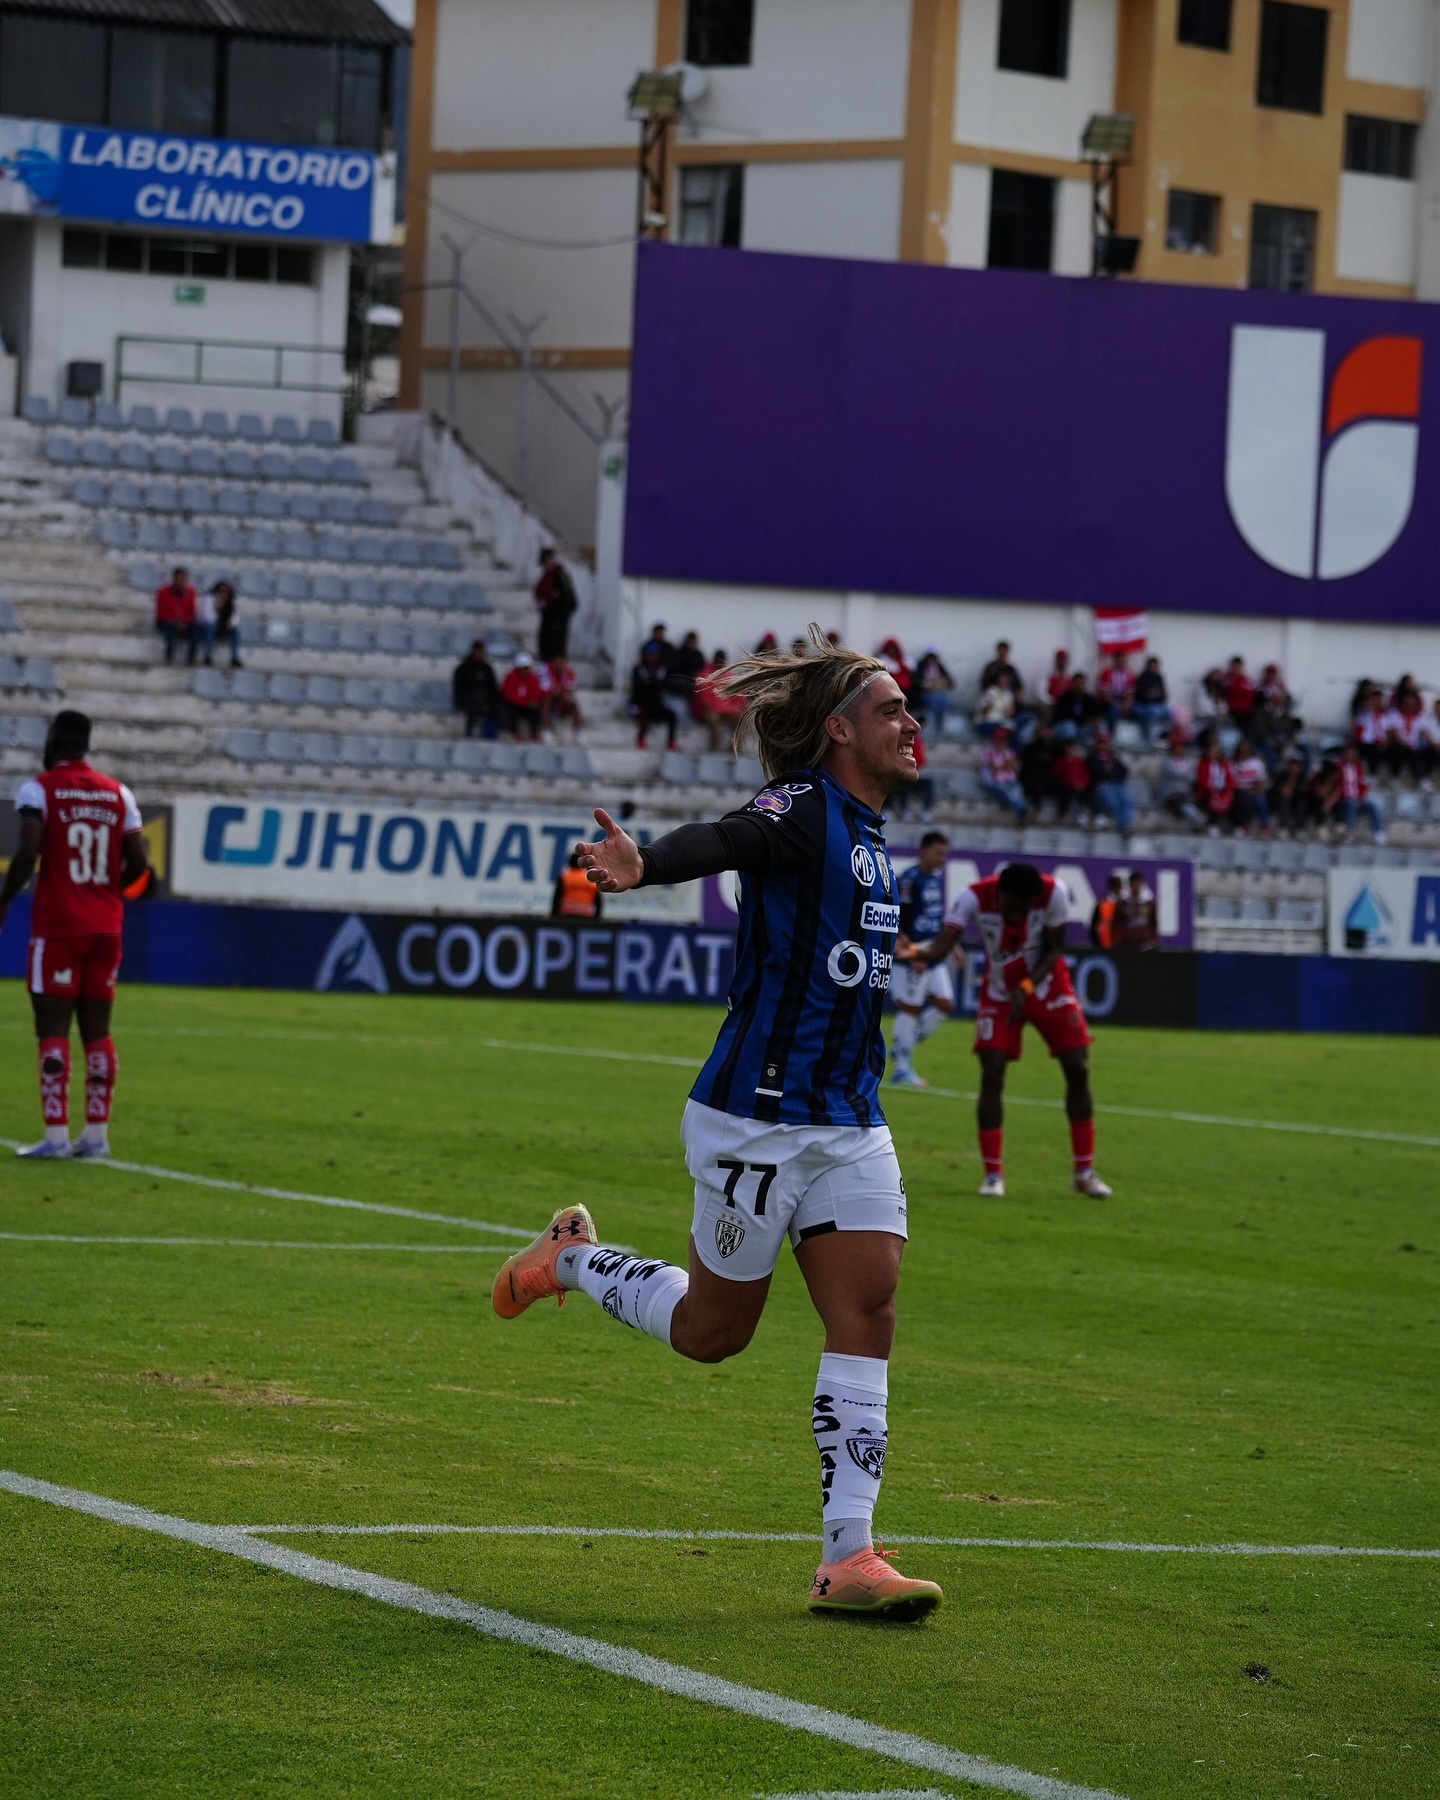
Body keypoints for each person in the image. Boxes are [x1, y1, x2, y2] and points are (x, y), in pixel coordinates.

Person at [491, 626, 942, 1620]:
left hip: (850, 1121)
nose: (911, 722)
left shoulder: (871, 838)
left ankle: (848, 1557)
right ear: (839, 730)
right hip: (757, 1121)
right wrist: (646, 863)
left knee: (868, 1312)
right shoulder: (804, 806)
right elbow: (730, 839)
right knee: (711, 1333)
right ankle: (572, 1259)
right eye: (891, 709)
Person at [899, 862, 1110, 1200]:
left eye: (1024, 911)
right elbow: (940, 947)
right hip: (999, 991)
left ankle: (1084, 1172)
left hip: (1047, 986)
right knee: (992, 1070)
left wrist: (1027, 986)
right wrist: (912, 951)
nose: (1017, 917)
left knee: (1078, 1066)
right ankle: (993, 1175)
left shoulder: (1054, 893)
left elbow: (1055, 948)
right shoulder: (973, 898)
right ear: (1000, 894)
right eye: (1011, 910)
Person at [0, 710, 149, 1159]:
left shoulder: (39, 790)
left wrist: (4, 899)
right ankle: (97, 1137)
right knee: (98, 1030)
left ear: (54, 740)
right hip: (107, 928)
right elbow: (140, 864)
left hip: (59, 926)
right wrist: (106, 892)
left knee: (52, 1027)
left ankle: (56, 1137)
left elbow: (29, 849)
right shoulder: (119, 793)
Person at [888, 830, 953, 1089]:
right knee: (910, 1008)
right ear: (924, 851)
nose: (942, 859)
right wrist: (911, 951)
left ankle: (903, 1046)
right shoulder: (909, 879)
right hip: (911, 955)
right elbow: (896, 917)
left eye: (945, 854)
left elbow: (936, 916)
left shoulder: (935, 879)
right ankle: (901, 1069)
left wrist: (954, 947)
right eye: (938, 853)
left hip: (933, 953)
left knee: (945, 1005)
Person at [1325, 744, 1386, 843]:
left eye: (1353, 754)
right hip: (1343, 800)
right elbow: (1337, 785)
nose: (1351, 756)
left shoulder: (1359, 768)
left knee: (1372, 806)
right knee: (1351, 805)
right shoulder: (1339, 767)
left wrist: (1360, 798)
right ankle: (1348, 833)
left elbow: (1363, 785)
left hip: (1358, 799)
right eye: (1349, 753)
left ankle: (1378, 833)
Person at [693, 649, 746, 752]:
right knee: (712, 717)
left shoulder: (730, 676)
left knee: (743, 719)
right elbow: (704, 697)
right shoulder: (706, 675)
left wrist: (740, 706)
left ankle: (734, 747)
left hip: (728, 711)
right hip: (713, 711)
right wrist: (710, 708)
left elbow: (739, 696)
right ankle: (715, 746)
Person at [630, 645, 679, 749]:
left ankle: (671, 742)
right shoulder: (639, 669)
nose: (652, 658)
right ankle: (640, 739)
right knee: (645, 713)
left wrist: (652, 683)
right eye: (650, 655)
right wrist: (653, 684)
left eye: (654, 656)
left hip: (657, 705)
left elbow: (664, 685)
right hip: (641, 704)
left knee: (672, 715)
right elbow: (638, 688)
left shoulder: (661, 670)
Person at [535, 548, 578, 662]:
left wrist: (559, 619)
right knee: (545, 648)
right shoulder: (546, 577)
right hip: (548, 618)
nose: (545, 566)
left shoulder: (560, 576)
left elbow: (569, 601)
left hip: (558, 621)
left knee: (556, 650)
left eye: (546, 562)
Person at [1086, 731, 1134, 834]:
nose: (1103, 745)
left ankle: (1127, 824)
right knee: (1113, 802)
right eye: (1100, 742)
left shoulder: (1112, 758)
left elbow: (1123, 771)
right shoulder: (1092, 758)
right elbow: (1097, 773)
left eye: (1105, 742)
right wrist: (1109, 773)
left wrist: (1109, 773)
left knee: (1126, 800)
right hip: (1100, 786)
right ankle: (1121, 825)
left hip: (1115, 784)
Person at [1158, 729, 1205, 829]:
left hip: (1186, 792)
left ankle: (1198, 818)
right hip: (1170, 792)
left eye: (1182, 747)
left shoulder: (1188, 761)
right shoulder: (1167, 761)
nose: (1180, 749)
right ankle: (1196, 817)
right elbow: (1174, 775)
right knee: (1179, 800)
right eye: (1178, 747)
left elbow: (1192, 778)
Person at [452, 640, 499, 739]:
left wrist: (487, 701)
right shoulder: (462, 669)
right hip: (467, 699)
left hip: (485, 700)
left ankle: (493, 735)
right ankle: (469, 732)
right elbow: (459, 689)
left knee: (498, 706)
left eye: (481, 651)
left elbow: (493, 688)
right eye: (478, 651)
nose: (480, 654)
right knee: (474, 704)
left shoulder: (487, 669)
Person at [981, 725, 1027, 819]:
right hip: (994, 783)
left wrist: (1007, 764)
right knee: (1007, 792)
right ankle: (1021, 811)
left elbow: (1016, 767)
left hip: (1010, 781)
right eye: (999, 740)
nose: (1001, 742)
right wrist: (1007, 764)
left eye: (1003, 740)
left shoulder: (1009, 752)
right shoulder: (988, 752)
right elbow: (994, 769)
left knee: (1018, 791)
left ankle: (1022, 811)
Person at [153, 566, 196, 665]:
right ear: (174, 579)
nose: (181, 582)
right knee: (170, 627)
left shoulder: (190, 592)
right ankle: (169, 655)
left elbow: (192, 612)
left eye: (183, 579)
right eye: (179, 579)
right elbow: (161, 612)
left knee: (195, 627)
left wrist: (185, 622)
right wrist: (175, 621)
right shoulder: (163, 591)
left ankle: (191, 657)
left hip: (184, 622)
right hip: (167, 621)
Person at [1194, 732, 1236, 832]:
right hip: (1208, 791)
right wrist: (1213, 790)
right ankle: (1212, 824)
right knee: (1211, 798)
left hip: (1223, 790)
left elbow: (1230, 779)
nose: (1214, 753)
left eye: (1216, 751)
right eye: (1212, 751)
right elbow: (1203, 781)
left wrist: (1228, 792)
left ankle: (1236, 826)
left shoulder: (1225, 764)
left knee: (1238, 798)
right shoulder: (1203, 764)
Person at [912, 647, 955, 738]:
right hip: (925, 693)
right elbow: (916, 681)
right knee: (933, 701)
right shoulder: (921, 666)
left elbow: (950, 682)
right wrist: (926, 684)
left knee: (944, 700)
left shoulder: (939, 666)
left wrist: (942, 682)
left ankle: (941, 726)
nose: (932, 659)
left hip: (939, 693)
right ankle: (931, 726)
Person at [501, 652, 544, 741]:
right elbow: (508, 694)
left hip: (526, 705)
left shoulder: (532, 678)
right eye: (523, 668)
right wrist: (524, 702)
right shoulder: (511, 676)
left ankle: (535, 734)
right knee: (509, 708)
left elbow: (536, 693)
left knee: (535, 710)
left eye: (527, 668)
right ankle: (513, 733)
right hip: (515, 704)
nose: (525, 670)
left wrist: (532, 701)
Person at [1231, 738, 1271, 834]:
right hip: (1241, 791)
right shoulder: (1233, 764)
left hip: (1255, 790)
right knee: (1245, 798)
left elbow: (1263, 781)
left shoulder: (1257, 763)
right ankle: (1244, 825)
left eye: (1246, 750)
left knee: (1261, 798)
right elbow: (1233, 782)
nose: (1244, 753)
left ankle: (1264, 825)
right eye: (1241, 751)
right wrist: (1246, 787)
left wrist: (1256, 787)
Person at [551, 850, 601, 919]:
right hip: (586, 916)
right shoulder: (590, 879)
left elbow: (557, 898)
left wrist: (553, 916)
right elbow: (598, 902)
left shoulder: (564, 877)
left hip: (567, 916)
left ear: (569, 862)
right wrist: (596, 919)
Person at [540, 655, 582, 735]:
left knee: (573, 703)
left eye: (561, 663)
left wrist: (564, 694)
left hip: (562, 699)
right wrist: (554, 693)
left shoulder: (569, 672)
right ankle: (545, 730)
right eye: (557, 663)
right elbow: (544, 689)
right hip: (551, 699)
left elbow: (571, 688)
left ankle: (576, 731)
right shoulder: (546, 671)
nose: (559, 666)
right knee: (546, 701)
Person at [1132, 657, 1170, 743]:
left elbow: (1164, 695)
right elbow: (1142, 695)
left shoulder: (1159, 678)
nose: (1154, 668)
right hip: (1143, 705)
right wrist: (1152, 695)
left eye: (1155, 666)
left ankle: (1164, 736)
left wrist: (1155, 695)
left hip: (1157, 704)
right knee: (1153, 712)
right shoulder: (1142, 677)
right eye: (1152, 666)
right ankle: (1149, 737)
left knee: (1168, 712)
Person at [1117, 871, 1158, 950]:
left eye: (1137, 885)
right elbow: (1118, 923)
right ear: (1129, 885)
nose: (1135, 888)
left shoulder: (1148, 902)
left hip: (1145, 944)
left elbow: (1154, 922)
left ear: (1141, 885)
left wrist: (1154, 940)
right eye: (1133, 885)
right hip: (1127, 944)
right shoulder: (1123, 903)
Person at [1097, 653, 1136, 730]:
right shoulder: (1107, 673)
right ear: (1115, 661)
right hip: (1111, 700)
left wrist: (1127, 704)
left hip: (1123, 699)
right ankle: (1110, 732)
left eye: (1123, 660)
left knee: (1139, 710)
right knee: (1114, 710)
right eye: (1119, 660)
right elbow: (1105, 694)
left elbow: (1131, 692)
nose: (1121, 663)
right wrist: (1116, 704)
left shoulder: (1130, 674)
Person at [211, 580, 242, 669]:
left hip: (226, 627)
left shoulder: (232, 604)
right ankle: (208, 656)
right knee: (210, 628)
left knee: (236, 631)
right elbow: (209, 618)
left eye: (226, 592)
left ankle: (234, 658)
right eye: (221, 591)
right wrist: (219, 608)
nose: (223, 594)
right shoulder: (212, 601)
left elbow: (236, 618)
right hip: (215, 627)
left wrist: (231, 623)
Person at [668, 630, 705, 701]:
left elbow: (702, 669)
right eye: (690, 641)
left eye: (693, 641)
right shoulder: (679, 653)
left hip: (695, 682)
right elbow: (675, 669)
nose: (691, 643)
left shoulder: (698, 655)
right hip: (682, 682)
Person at [1090, 872, 1123, 948]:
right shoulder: (1102, 904)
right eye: (1114, 885)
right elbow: (1094, 925)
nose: (1117, 888)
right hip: (1105, 945)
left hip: (1121, 946)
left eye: (1118, 885)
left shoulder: (1124, 904)